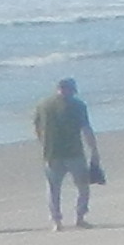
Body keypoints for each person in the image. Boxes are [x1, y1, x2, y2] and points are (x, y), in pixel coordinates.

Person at [32, 78, 105, 228]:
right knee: (82, 186)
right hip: (74, 152)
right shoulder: (78, 105)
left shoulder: (42, 105)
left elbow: (37, 128)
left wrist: (44, 143)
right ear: (70, 89)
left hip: (51, 153)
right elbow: (86, 129)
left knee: (53, 188)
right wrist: (94, 150)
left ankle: (56, 221)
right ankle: (80, 217)